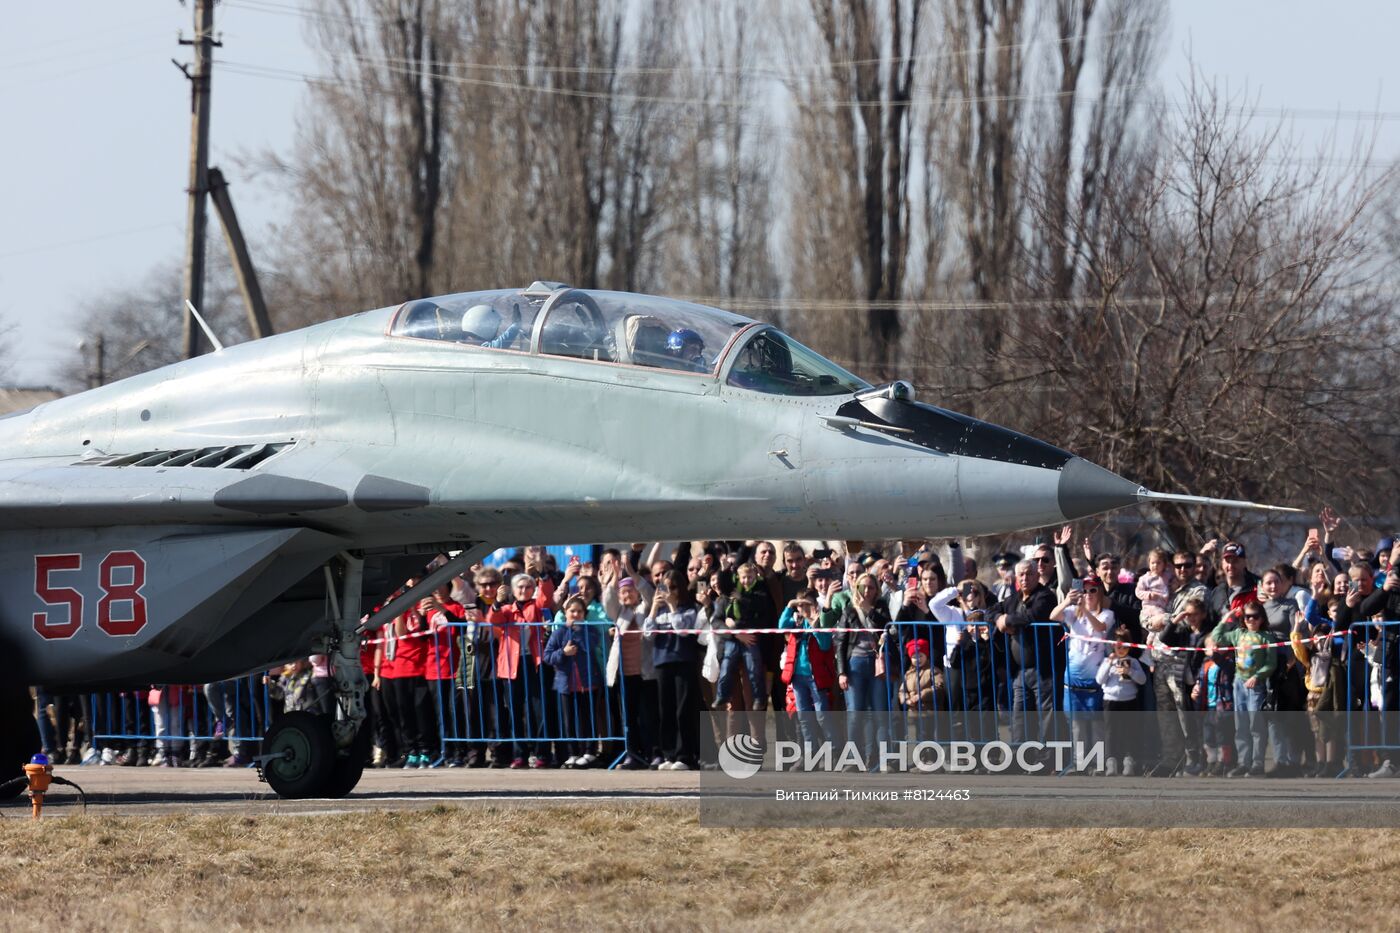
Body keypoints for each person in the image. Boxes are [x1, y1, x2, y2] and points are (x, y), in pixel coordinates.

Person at [487, 572, 558, 769]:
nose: (524, 590)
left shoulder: (536, 606)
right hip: (511, 665)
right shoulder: (508, 609)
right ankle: (519, 754)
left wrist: (543, 576)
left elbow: (546, 598)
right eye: (520, 587)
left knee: (539, 709)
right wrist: (497, 602)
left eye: (527, 587)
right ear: (513, 590)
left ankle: (542, 753)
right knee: (514, 711)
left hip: (533, 662)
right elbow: (494, 619)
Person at [993, 560, 1060, 758]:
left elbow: (1033, 616)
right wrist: (998, 619)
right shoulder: (1013, 599)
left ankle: (1047, 759)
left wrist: (1007, 620)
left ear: (1037, 575)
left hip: (1044, 669)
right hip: (1020, 671)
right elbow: (991, 610)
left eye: (1029, 574)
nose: (1025, 578)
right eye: (1021, 574)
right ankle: (1021, 757)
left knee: (1046, 717)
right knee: (1020, 716)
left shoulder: (1045, 596)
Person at [833, 573, 896, 768]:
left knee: (879, 712)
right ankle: (852, 759)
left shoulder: (881, 608)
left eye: (870, 587)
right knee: (855, 713)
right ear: (856, 589)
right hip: (855, 664)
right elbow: (840, 643)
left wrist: (869, 610)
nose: (866, 591)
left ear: (877, 590)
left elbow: (886, 628)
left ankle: (882, 757)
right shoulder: (849, 611)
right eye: (863, 587)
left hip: (877, 663)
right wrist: (842, 672)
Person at [1051, 577, 1114, 772]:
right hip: (1074, 677)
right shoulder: (1072, 613)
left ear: (1099, 593)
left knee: (1096, 724)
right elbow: (1053, 616)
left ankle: (1098, 762)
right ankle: (1080, 763)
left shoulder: (1107, 614)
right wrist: (1067, 601)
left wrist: (1085, 610)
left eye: (1092, 591)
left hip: (1094, 678)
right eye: (1085, 591)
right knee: (1077, 725)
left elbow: (1100, 628)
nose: (1088, 595)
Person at [1207, 601, 1276, 777]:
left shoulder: (1267, 637)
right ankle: (1243, 762)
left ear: (1262, 618)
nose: (1251, 619)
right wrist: (1227, 617)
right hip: (1238, 682)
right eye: (1247, 616)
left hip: (1255, 685)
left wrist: (1257, 676)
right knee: (1241, 725)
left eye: (1255, 616)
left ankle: (1257, 763)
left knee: (1256, 725)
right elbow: (1218, 636)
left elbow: (1271, 663)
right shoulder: (1238, 634)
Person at [644, 569, 704, 770]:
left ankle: (684, 755)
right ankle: (668, 754)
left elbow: (682, 630)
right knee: (666, 710)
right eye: (664, 588)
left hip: (683, 661)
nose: (667, 592)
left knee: (683, 710)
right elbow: (647, 634)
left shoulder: (689, 609)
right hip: (662, 662)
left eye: (672, 588)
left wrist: (672, 606)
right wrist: (654, 608)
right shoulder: (658, 610)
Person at [544, 596, 606, 768]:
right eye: (572, 611)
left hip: (588, 682)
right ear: (566, 613)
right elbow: (548, 656)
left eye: (579, 611)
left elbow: (590, 645)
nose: (576, 614)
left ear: (584, 614)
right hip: (566, 684)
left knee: (588, 718)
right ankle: (572, 753)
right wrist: (563, 652)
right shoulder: (559, 632)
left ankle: (589, 751)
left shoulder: (590, 630)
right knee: (569, 720)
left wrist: (578, 632)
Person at [606, 577, 658, 769]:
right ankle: (633, 755)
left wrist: (631, 572)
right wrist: (612, 579)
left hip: (645, 672)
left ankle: (654, 753)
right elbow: (608, 601)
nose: (627, 595)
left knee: (648, 716)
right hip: (624, 673)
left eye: (630, 590)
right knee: (629, 717)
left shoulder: (644, 609)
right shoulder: (619, 613)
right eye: (623, 592)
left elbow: (650, 596)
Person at [778, 588, 836, 752]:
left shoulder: (819, 621)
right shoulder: (796, 622)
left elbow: (825, 645)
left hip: (815, 677)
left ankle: (836, 750)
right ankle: (811, 754)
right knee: (804, 717)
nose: (803, 608)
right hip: (797, 676)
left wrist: (814, 623)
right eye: (800, 605)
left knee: (822, 716)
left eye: (806, 605)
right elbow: (782, 626)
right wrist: (790, 606)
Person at [1096, 625, 1147, 776]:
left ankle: (1129, 761)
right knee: (1111, 732)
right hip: (1110, 701)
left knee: (1129, 732)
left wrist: (1129, 671)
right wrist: (1109, 664)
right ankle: (1111, 762)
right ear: (1113, 646)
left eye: (1124, 646)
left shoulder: (1133, 662)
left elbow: (1142, 680)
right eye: (1118, 646)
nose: (1121, 650)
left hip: (1129, 701)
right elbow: (1099, 680)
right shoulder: (1108, 660)